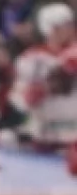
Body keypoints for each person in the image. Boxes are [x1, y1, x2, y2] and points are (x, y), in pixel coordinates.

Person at [10, 3, 77, 153]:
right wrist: (31, 95)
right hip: (45, 134)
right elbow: (17, 98)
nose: (71, 29)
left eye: (71, 24)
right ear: (51, 28)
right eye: (65, 25)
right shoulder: (31, 58)